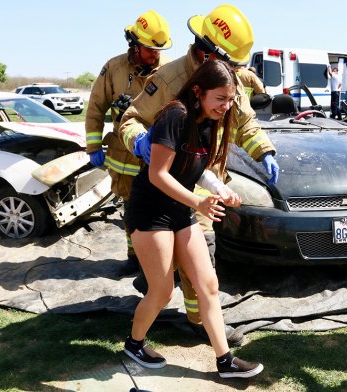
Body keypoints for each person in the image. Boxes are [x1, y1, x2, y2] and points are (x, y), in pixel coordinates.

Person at [119, 4, 279, 346]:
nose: (234, 72)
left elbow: (245, 123)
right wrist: (139, 141)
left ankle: (198, 321)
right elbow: (131, 118)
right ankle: (165, 320)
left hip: (202, 179)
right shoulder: (170, 80)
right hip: (165, 187)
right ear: (208, 52)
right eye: (230, 62)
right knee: (173, 274)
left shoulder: (225, 80)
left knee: (203, 265)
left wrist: (263, 151)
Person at [123, 59, 264, 379]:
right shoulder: (176, 115)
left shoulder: (207, 121)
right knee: (160, 290)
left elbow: (196, 168)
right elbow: (158, 175)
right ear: (198, 91)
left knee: (208, 285)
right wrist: (198, 202)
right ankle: (134, 343)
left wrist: (218, 189)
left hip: (179, 211)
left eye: (230, 100)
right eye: (220, 99)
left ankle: (225, 360)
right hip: (150, 212)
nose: (227, 107)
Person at [85, 10, 172, 274]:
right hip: (122, 156)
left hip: (156, 155)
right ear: (133, 44)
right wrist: (93, 146)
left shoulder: (169, 70)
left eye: (158, 50)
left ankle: (160, 263)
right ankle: (134, 258)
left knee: (158, 211)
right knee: (130, 209)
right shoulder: (114, 68)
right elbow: (96, 107)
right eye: (148, 50)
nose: (154, 55)